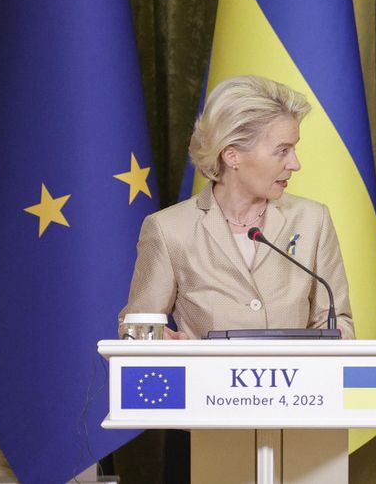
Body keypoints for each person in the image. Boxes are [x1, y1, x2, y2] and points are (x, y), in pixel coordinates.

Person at [119, 75, 354, 339]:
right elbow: (137, 329)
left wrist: (339, 336)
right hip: (205, 380)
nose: (295, 164)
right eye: (282, 151)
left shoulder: (312, 220)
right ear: (232, 155)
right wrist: (162, 341)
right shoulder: (169, 229)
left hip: (296, 379)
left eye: (294, 149)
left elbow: (334, 320)